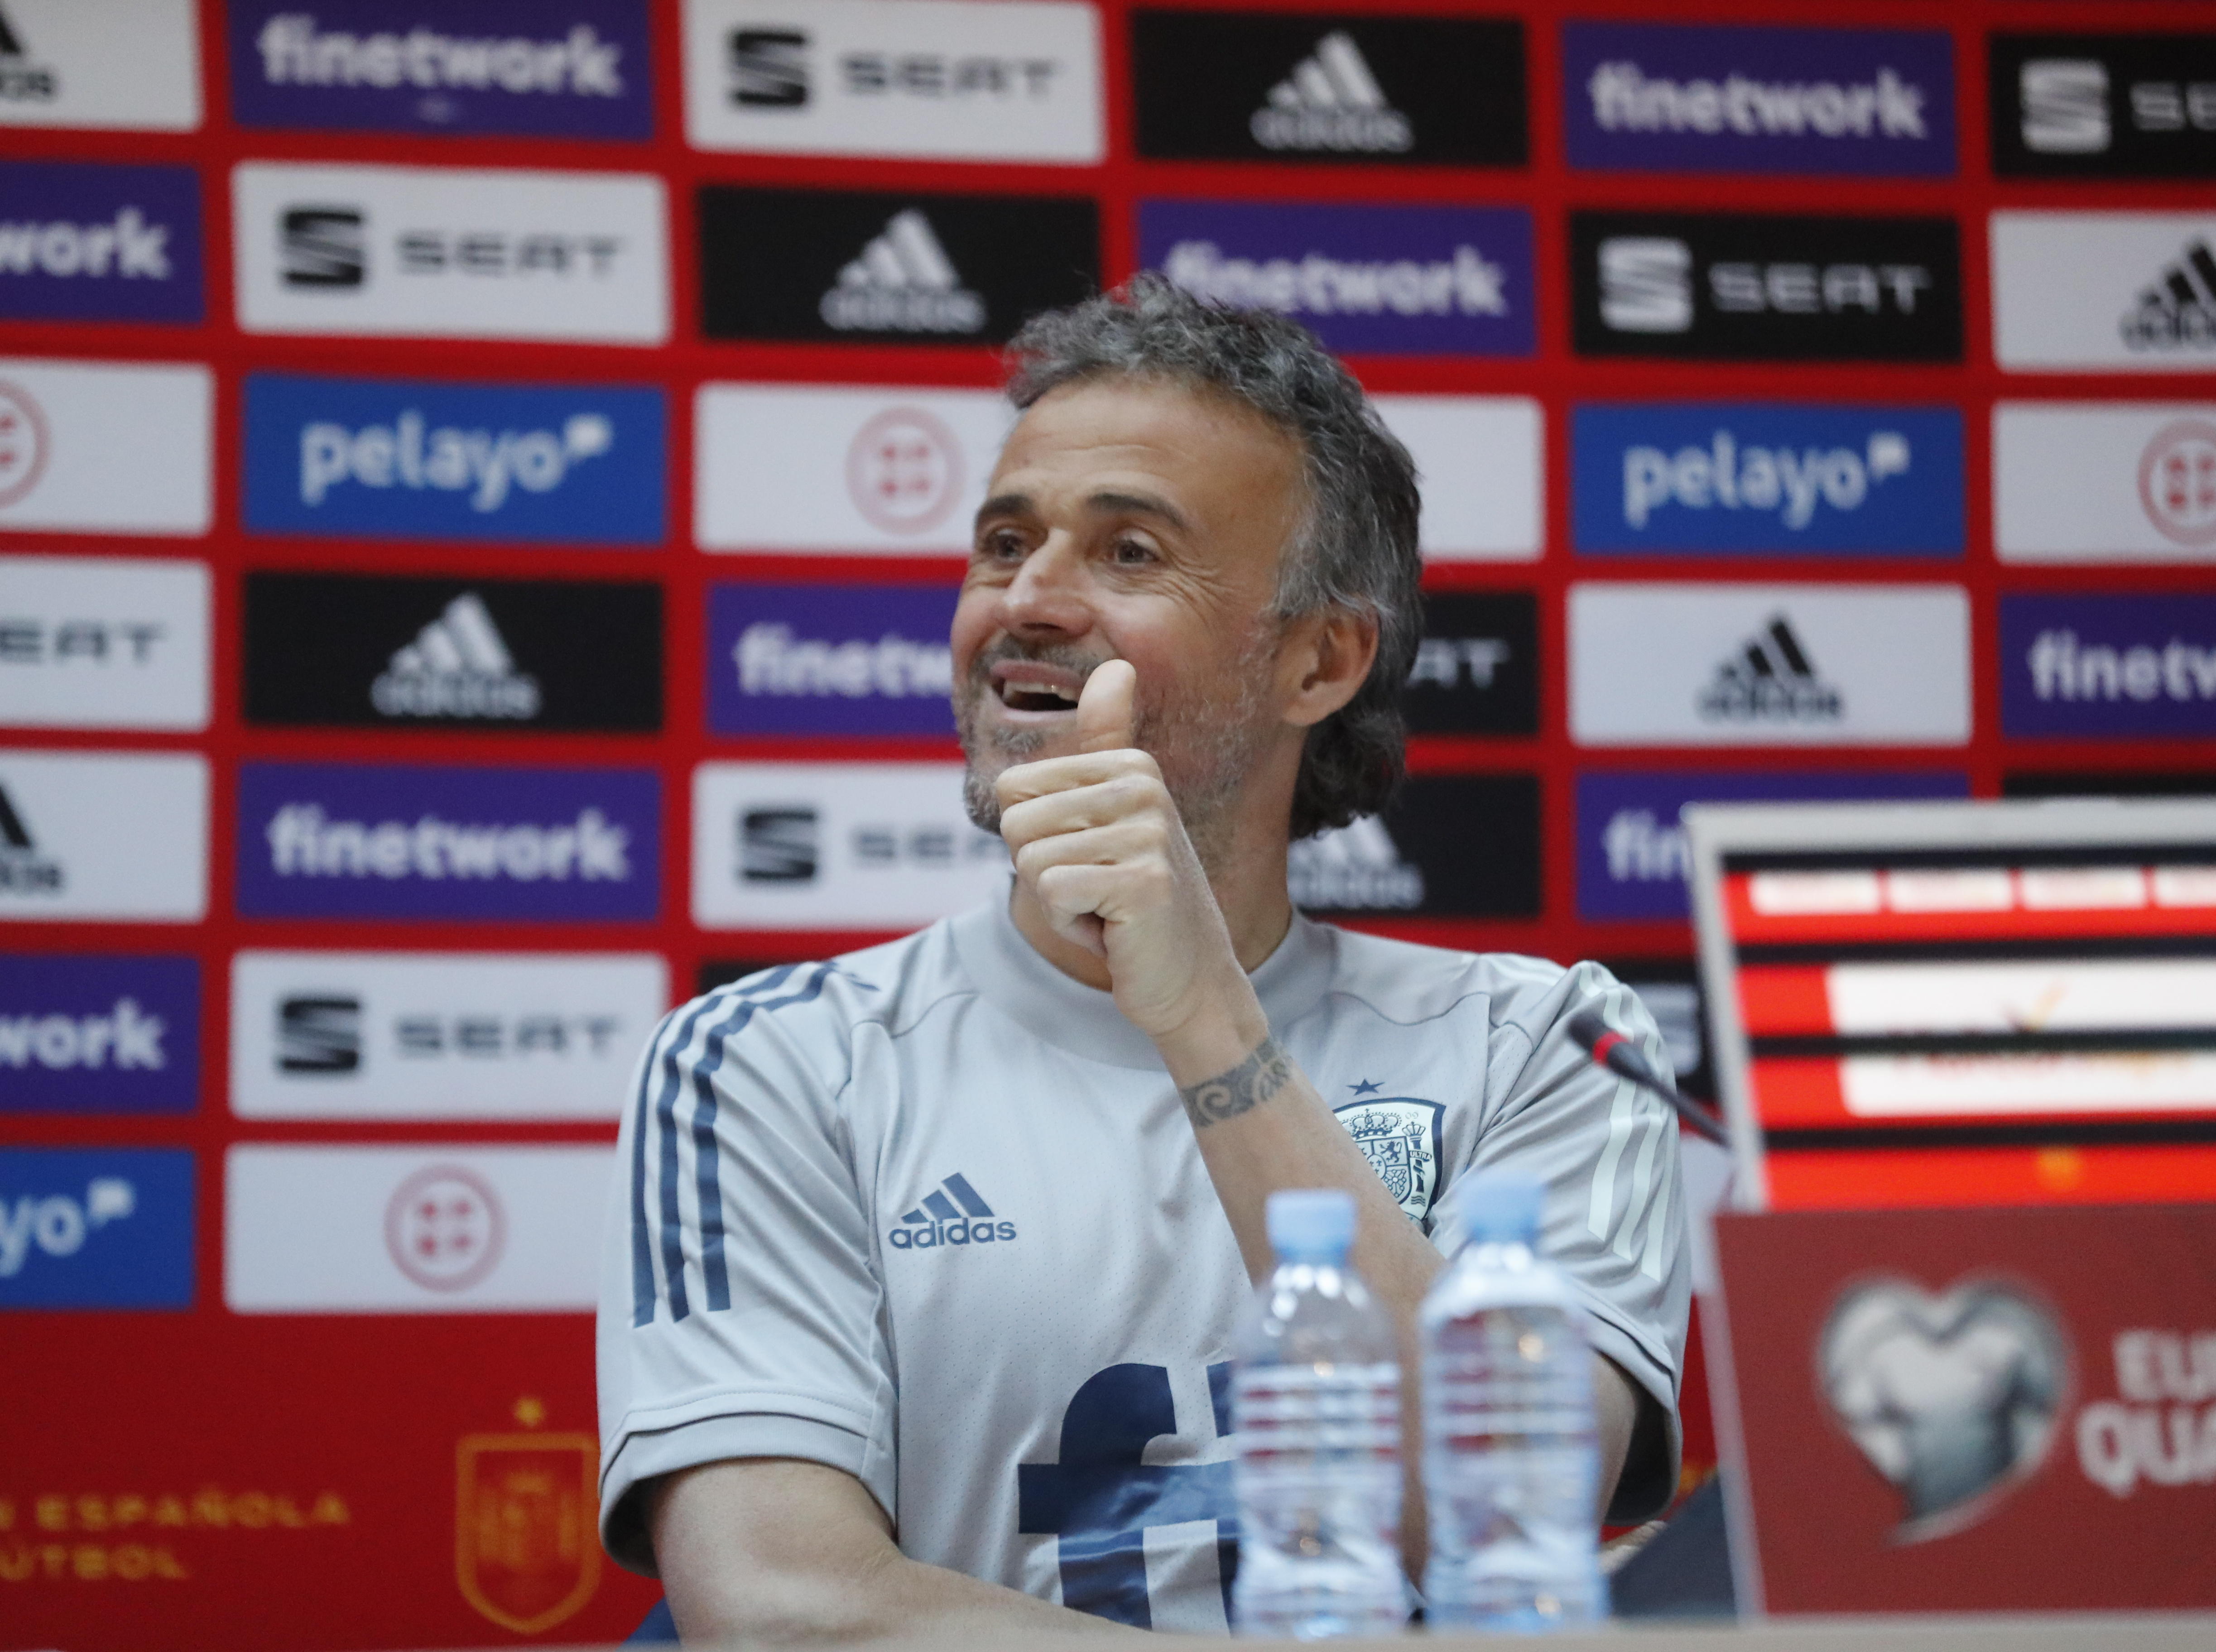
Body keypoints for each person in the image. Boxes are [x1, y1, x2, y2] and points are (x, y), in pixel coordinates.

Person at [596, 275, 1690, 1642]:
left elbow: (1498, 1524)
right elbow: (786, 1607)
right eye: (1005, 544)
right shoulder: (767, 1061)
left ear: (1321, 661)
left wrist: (1207, 1021)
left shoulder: (1549, 1048)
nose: (1031, 603)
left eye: (1129, 554)